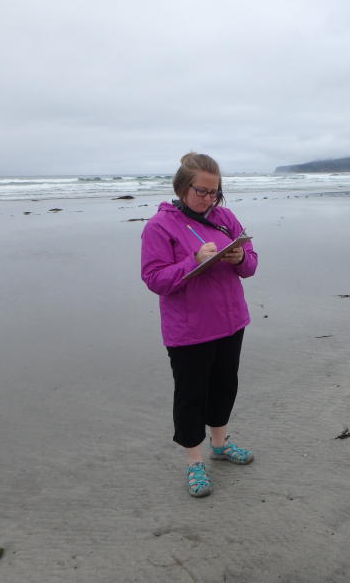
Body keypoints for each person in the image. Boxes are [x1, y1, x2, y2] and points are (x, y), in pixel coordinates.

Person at [141, 152, 258, 498]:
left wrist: (240, 257)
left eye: (215, 192)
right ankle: (195, 462)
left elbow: (250, 265)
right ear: (182, 188)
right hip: (189, 330)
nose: (208, 199)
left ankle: (220, 445)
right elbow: (154, 279)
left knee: (225, 385)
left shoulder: (225, 218)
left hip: (231, 321)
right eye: (201, 192)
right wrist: (193, 260)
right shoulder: (159, 226)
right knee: (191, 396)